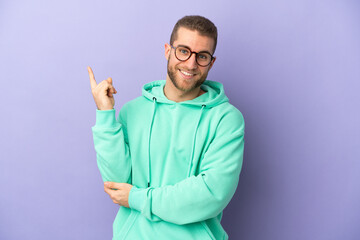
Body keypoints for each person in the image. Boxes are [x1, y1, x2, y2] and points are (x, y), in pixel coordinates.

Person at [89, 15, 245, 240]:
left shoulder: (226, 120)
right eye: (183, 51)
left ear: (211, 62)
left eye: (202, 56)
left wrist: (138, 198)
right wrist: (105, 115)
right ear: (167, 51)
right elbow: (117, 184)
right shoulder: (132, 112)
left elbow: (212, 193)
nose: (191, 64)